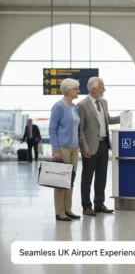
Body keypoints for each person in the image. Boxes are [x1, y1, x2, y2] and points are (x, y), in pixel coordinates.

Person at [77, 77, 120, 216]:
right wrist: (84, 147)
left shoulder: (104, 102)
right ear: (94, 89)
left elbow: (108, 120)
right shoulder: (82, 105)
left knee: (102, 176)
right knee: (87, 177)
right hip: (90, 146)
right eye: (102, 87)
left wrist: (122, 117)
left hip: (103, 144)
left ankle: (99, 204)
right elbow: (80, 128)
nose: (104, 89)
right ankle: (86, 206)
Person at [49, 78, 81, 221]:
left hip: (74, 148)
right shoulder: (58, 106)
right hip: (63, 148)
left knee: (70, 180)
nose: (78, 91)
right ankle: (59, 211)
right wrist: (55, 149)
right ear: (69, 91)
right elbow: (52, 129)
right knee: (61, 180)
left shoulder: (74, 107)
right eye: (76, 89)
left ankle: (68, 209)